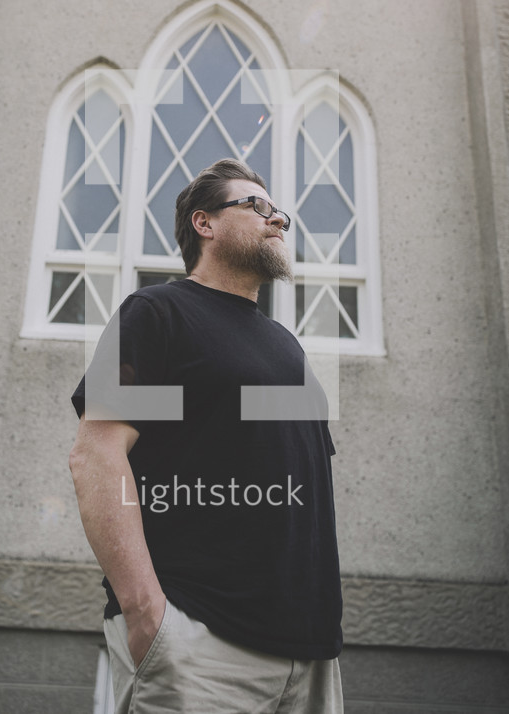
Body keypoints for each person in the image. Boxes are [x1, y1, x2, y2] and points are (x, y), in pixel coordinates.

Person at [69, 159, 343, 713]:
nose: (278, 221)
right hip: (201, 640)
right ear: (205, 224)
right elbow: (97, 457)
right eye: (257, 207)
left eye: (280, 213)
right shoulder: (159, 314)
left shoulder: (285, 345)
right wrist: (146, 611)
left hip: (310, 655)